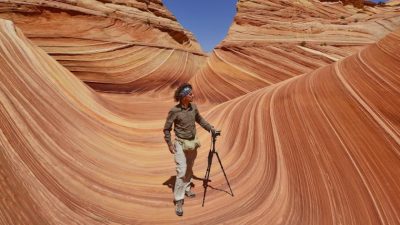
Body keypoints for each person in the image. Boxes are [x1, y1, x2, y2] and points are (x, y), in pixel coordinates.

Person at [163, 83, 215, 216]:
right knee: (181, 170)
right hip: (180, 143)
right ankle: (179, 200)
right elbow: (167, 129)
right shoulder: (174, 111)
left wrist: (211, 129)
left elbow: (200, 120)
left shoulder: (194, 107)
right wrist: (169, 143)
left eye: (192, 93)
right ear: (184, 96)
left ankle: (186, 188)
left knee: (190, 167)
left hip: (192, 143)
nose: (193, 95)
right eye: (190, 94)